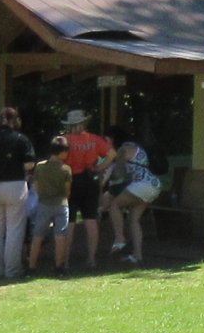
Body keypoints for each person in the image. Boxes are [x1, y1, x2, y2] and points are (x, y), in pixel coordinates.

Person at [0, 105, 37, 280]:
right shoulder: (21, 139)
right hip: (15, 185)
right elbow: (29, 164)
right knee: (15, 230)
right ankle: (12, 270)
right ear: (14, 120)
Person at [61, 108, 112, 267]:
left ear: (70, 125)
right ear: (83, 123)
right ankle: (91, 259)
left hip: (70, 180)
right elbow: (112, 154)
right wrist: (100, 167)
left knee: (70, 221)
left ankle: (66, 260)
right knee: (90, 219)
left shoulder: (64, 140)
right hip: (90, 179)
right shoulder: (94, 139)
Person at [102, 126, 159, 264]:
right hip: (152, 185)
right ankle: (137, 256)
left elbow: (119, 173)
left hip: (142, 184)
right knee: (134, 220)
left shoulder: (124, 149)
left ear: (114, 138)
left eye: (107, 139)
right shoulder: (134, 147)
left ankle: (120, 239)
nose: (105, 143)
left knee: (114, 205)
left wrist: (108, 185)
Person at [29, 134, 75, 275]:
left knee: (38, 235)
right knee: (60, 235)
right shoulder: (66, 169)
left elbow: (36, 186)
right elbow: (67, 190)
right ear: (62, 152)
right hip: (61, 203)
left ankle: (31, 267)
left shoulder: (40, 167)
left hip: (44, 203)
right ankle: (59, 267)